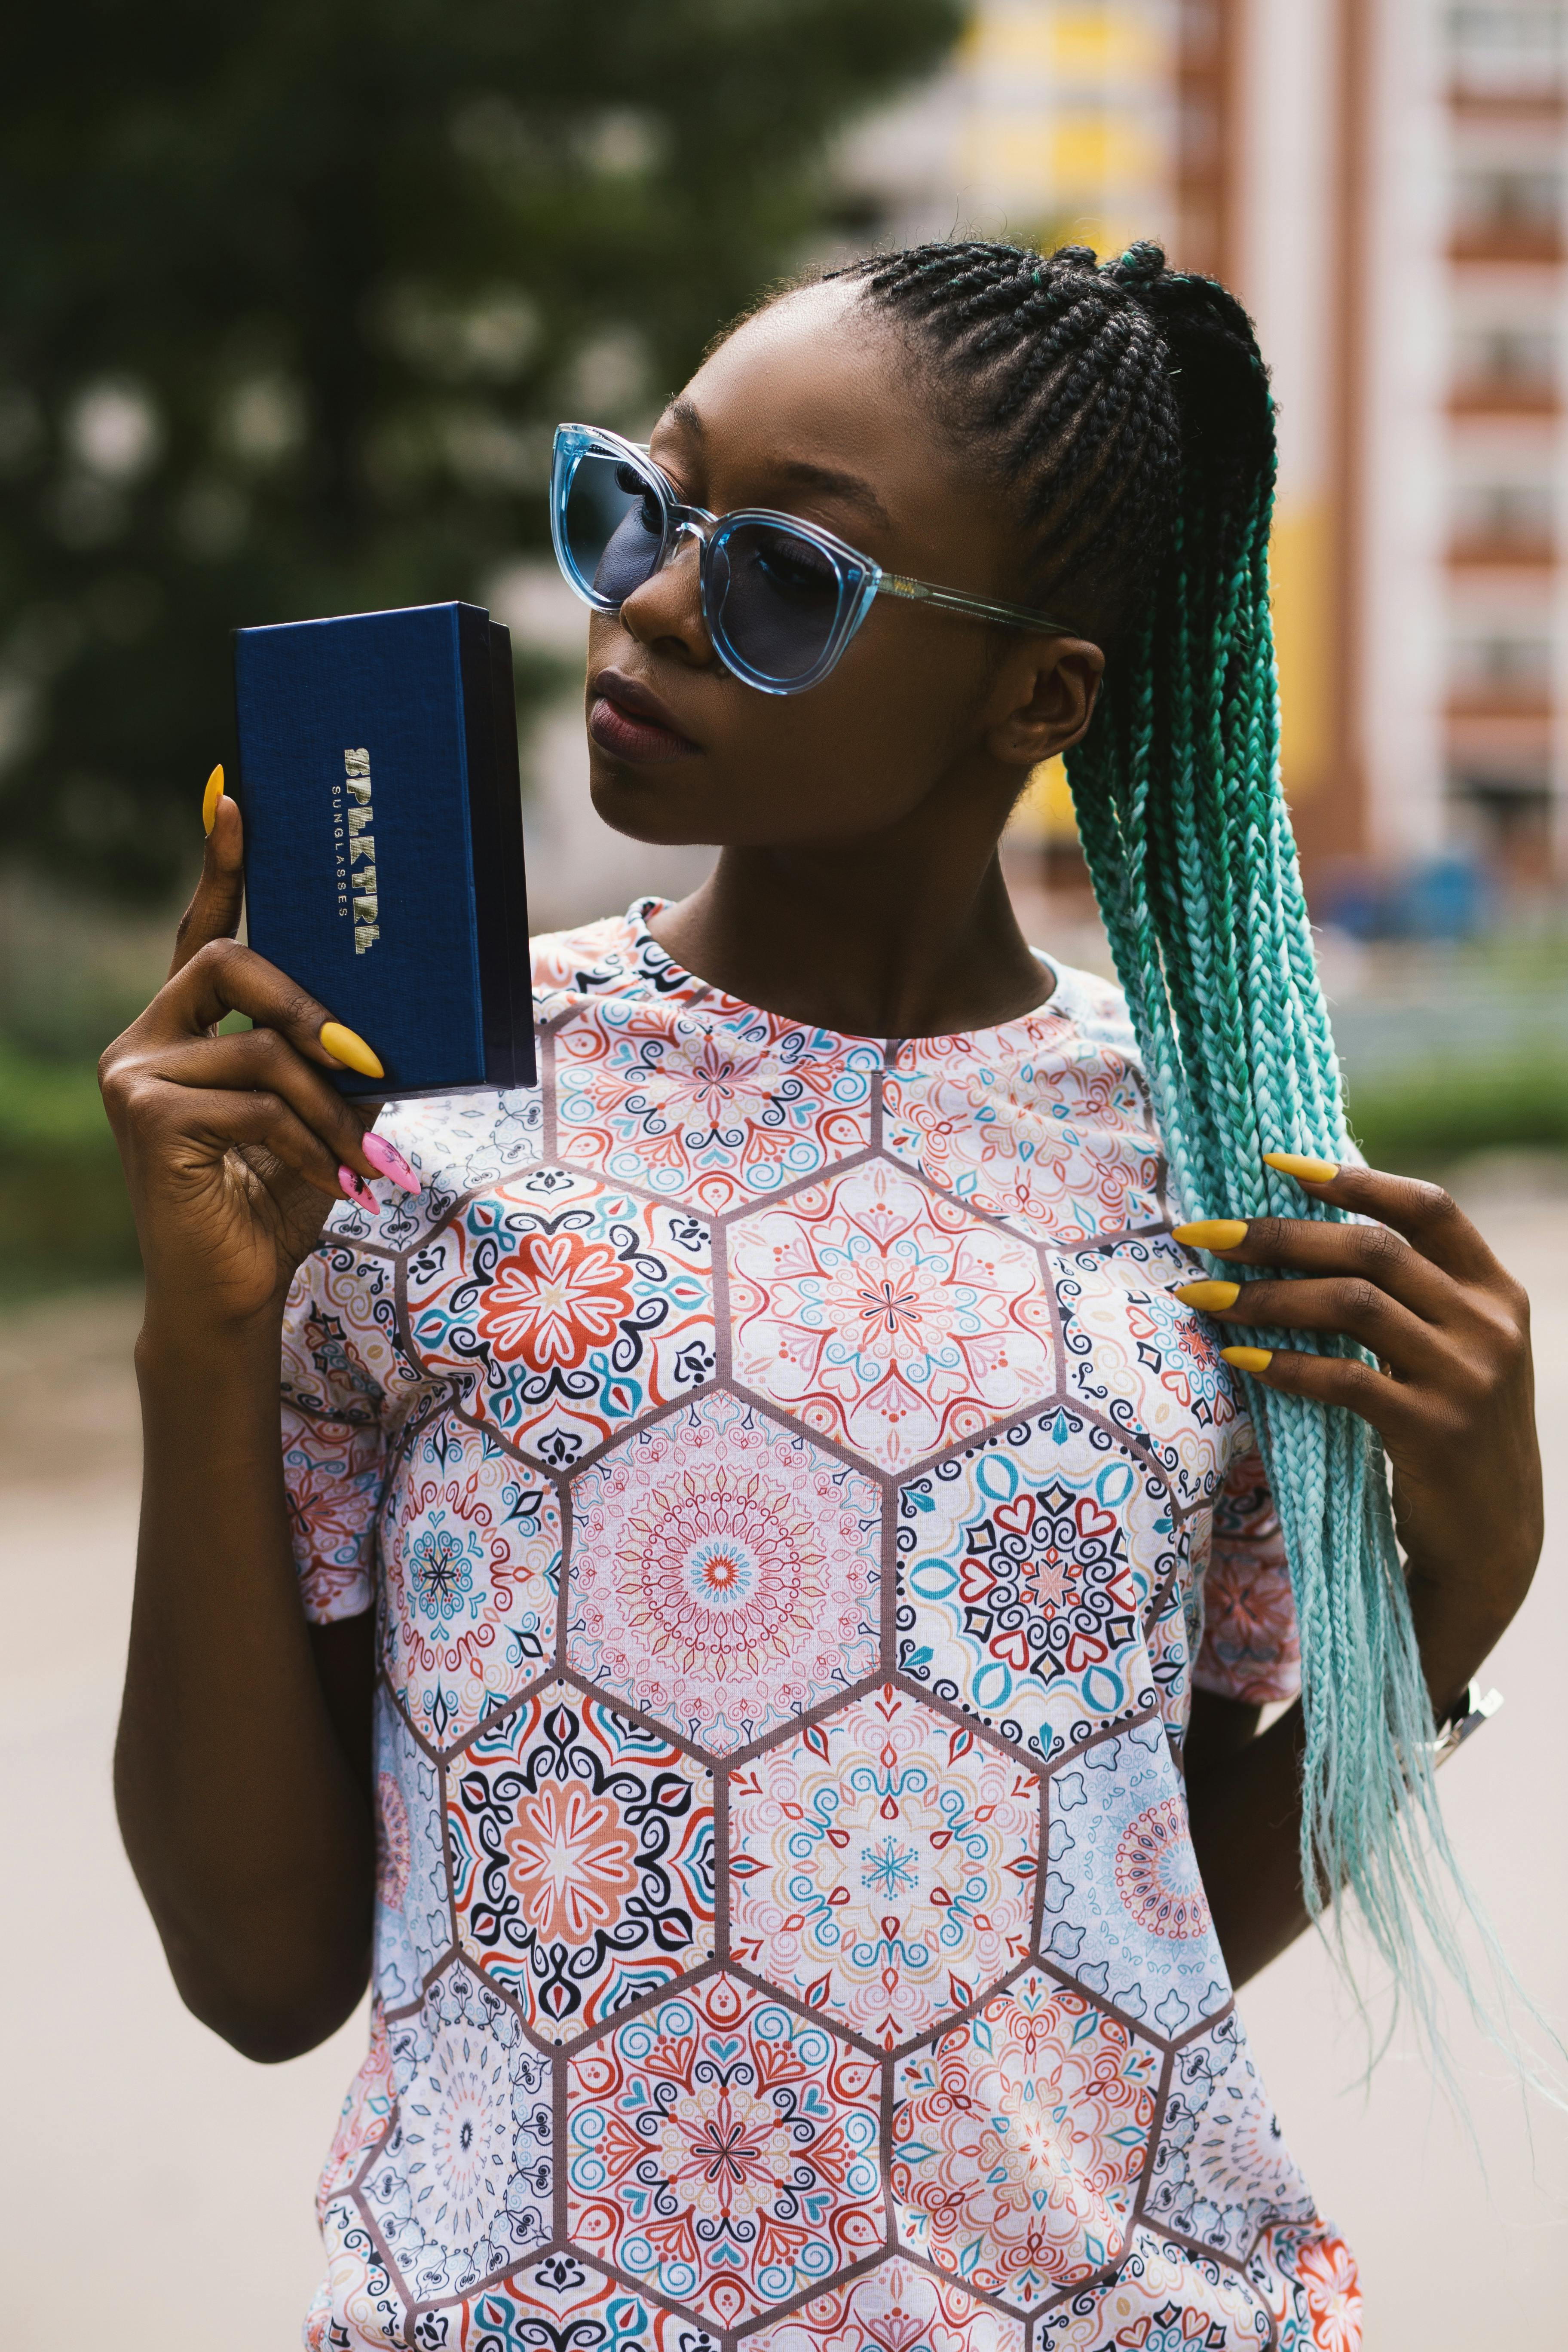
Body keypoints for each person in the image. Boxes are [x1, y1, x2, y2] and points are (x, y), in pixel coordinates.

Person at [101, 242, 1539, 2352]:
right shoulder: (413, 1131)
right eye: (635, 508)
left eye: (785, 580)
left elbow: (1126, 1951)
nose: (652, 602)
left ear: (1037, 696)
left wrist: (1465, 1584)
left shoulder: (1197, 1189)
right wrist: (202, 1331)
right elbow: (260, 1973)